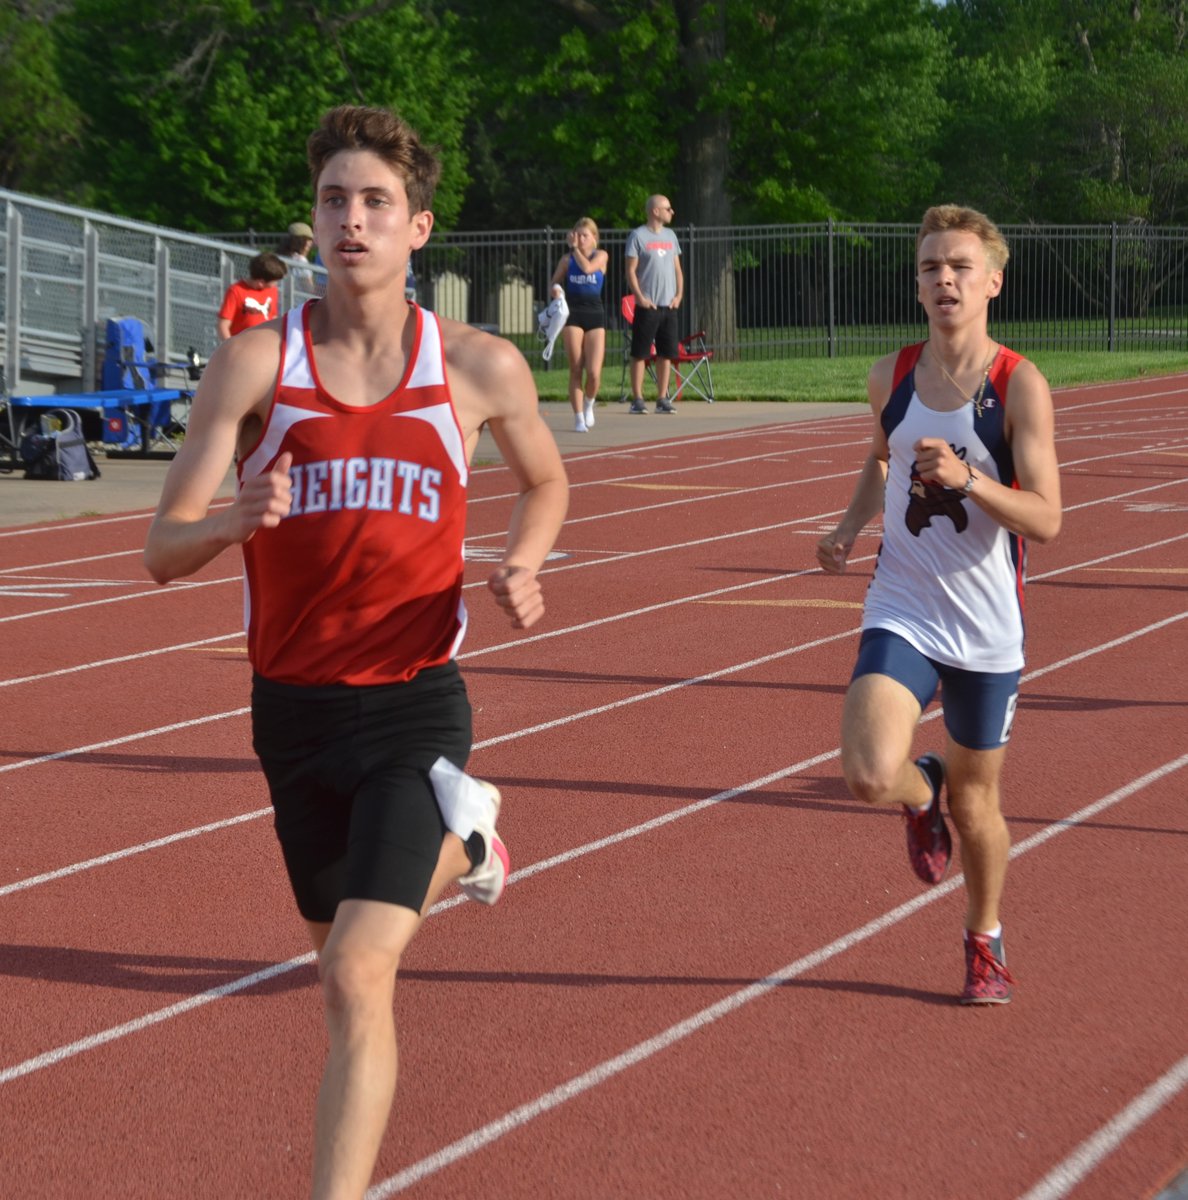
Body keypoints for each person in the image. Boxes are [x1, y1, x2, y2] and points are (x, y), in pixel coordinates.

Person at [144, 104, 569, 1199]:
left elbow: (548, 479)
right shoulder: (255, 365)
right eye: (334, 199)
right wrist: (229, 522)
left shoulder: (474, 366)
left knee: (352, 973)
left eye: (376, 202)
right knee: (330, 933)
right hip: (291, 711)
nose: (352, 220)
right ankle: (472, 852)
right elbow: (161, 546)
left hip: (416, 703)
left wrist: (525, 561)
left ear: (418, 228)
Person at [816, 204, 1061, 1006]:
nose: (943, 279)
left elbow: (1049, 519)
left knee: (980, 802)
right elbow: (880, 458)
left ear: (993, 280)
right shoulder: (890, 373)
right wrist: (852, 522)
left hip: (987, 624)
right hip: (904, 603)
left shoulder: (1016, 385)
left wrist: (972, 482)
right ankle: (920, 791)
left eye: (959, 266)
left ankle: (983, 936)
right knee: (864, 773)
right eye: (929, 267)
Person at [624, 194, 683, 415]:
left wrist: (678, 295)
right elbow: (630, 270)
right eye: (668, 208)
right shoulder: (638, 236)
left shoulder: (671, 236)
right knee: (640, 352)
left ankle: (662, 397)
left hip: (669, 305)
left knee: (666, 353)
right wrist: (639, 296)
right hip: (648, 306)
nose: (672, 212)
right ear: (655, 211)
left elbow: (677, 268)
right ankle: (637, 399)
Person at [549, 217, 609, 432]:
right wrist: (556, 290)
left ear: (594, 238)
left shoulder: (601, 256)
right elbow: (554, 282)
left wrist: (575, 249)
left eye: (585, 235)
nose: (581, 239)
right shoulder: (567, 260)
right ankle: (578, 418)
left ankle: (589, 403)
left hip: (595, 314)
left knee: (593, 372)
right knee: (576, 368)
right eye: (578, 234)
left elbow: (588, 269)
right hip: (573, 314)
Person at [215, 252, 286, 341]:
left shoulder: (272, 290)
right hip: (242, 346)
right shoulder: (236, 291)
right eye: (275, 281)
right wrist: (231, 348)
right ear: (261, 282)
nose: (276, 284)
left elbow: (273, 317)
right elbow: (223, 325)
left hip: (263, 345)